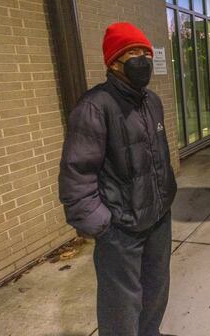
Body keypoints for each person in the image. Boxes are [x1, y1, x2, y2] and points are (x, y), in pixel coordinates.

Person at [58, 22, 178, 336]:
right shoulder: (94, 107)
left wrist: (165, 199)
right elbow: (77, 174)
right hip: (121, 228)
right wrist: (102, 225)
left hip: (157, 218)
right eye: (132, 53)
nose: (142, 59)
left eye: (145, 52)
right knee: (121, 306)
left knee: (156, 291)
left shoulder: (151, 102)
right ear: (113, 62)